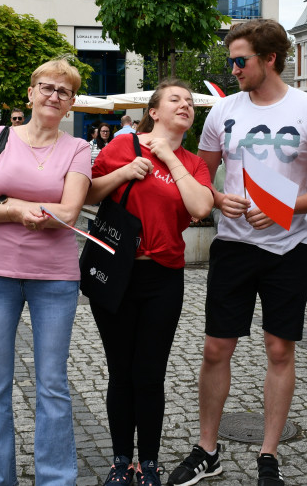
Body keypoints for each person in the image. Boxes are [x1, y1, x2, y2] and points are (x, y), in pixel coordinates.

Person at [166, 19, 307, 486]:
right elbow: (202, 176)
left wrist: (282, 207)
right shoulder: (224, 111)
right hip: (234, 246)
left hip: (290, 248)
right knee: (216, 347)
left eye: (240, 61)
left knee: (279, 348)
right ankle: (207, 448)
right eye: (231, 61)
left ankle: (268, 455)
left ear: (270, 59)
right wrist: (219, 199)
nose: (234, 69)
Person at [0, 58, 91, 486]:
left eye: (63, 92)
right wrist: (13, 209)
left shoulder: (78, 148)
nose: (54, 96)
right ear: (30, 92)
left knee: (52, 384)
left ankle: (56, 478)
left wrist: (13, 210)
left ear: (70, 104)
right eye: (47, 87)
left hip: (55, 277)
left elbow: (69, 211)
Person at [88, 80, 215, 486]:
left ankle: (149, 463)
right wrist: (126, 170)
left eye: (190, 103)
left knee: (150, 373)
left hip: (164, 276)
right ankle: (120, 461)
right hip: (118, 271)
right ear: (154, 111)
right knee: (120, 371)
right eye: (175, 99)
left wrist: (169, 158)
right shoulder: (122, 146)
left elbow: (199, 207)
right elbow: (88, 193)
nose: (185, 105)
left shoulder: (194, 163)